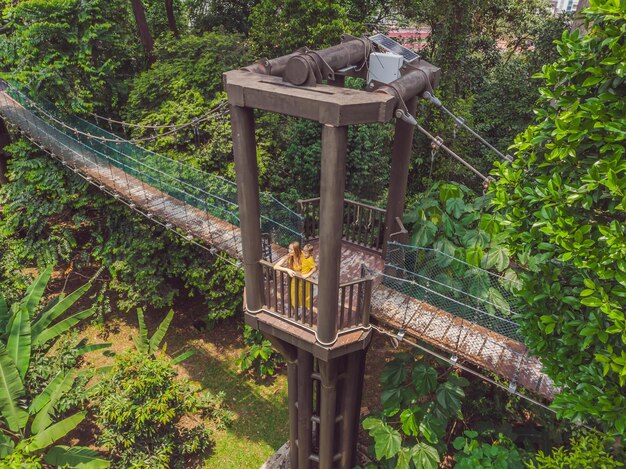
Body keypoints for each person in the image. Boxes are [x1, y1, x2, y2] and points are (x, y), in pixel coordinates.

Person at [273, 241, 302, 309]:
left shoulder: (302, 256)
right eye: (289, 249)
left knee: (302, 295)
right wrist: (287, 270)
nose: (289, 251)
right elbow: (275, 266)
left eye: (291, 249)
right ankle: (294, 309)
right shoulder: (288, 256)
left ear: (297, 250)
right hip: (293, 279)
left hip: (301, 279)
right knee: (293, 295)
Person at [300, 244, 317, 309]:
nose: (304, 254)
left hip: (306, 278)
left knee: (307, 293)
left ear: (310, 253)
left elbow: (314, 268)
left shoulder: (310, 259)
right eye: (303, 252)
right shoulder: (303, 254)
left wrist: (307, 275)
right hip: (301, 275)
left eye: (306, 253)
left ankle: (308, 305)